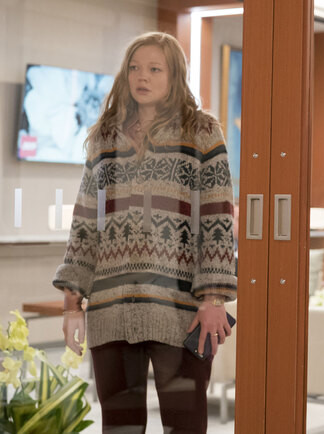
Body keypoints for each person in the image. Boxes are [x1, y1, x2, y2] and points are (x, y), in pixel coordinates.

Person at [53, 32, 237, 433]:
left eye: (155, 69)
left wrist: (214, 298)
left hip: (181, 311)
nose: (142, 77)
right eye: (135, 68)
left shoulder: (202, 133)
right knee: (119, 426)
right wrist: (71, 305)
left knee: (184, 424)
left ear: (175, 76)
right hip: (111, 309)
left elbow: (218, 220)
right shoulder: (104, 137)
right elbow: (85, 224)